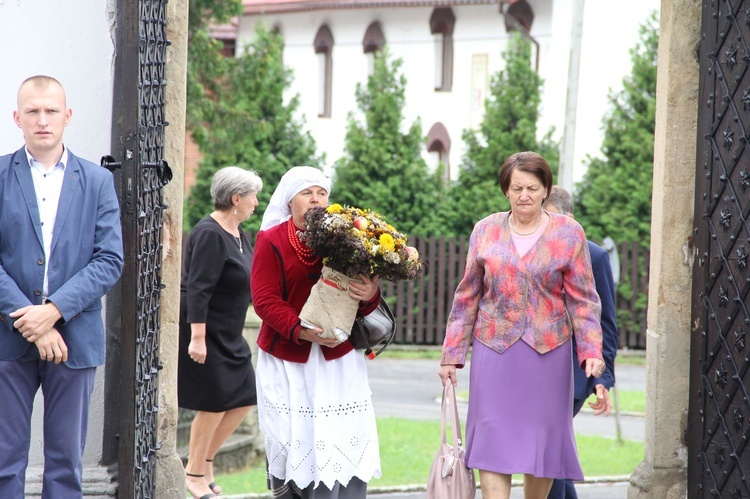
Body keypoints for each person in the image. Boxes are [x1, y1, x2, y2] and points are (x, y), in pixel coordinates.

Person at [438, 151, 605, 499]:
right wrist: (451, 355)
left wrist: (591, 351)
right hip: (494, 351)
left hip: (548, 354)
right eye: (516, 188)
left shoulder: (568, 233)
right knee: (492, 444)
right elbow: (467, 295)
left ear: (546, 189)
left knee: (540, 450)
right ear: (506, 190)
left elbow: (584, 299)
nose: (524, 195)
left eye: (532, 187)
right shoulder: (485, 230)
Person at [0, 75, 124, 498]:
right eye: (32, 111)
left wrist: (52, 312)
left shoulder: (97, 181)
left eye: (51, 110)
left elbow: (110, 260)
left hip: (74, 337)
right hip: (7, 336)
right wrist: (29, 319)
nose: (43, 120)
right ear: (17, 118)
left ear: (67, 116)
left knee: (66, 463)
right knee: (3, 460)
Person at [251, 166, 382, 498]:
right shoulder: (272, 239)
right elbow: (264, 300)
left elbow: (361, 298)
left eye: (321, 193)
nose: (315, 199)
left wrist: (369, 295)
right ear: (289, 200)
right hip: (290, 360)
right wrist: (302, 331)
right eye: (306, 193)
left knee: (341, 435)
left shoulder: (346, 239)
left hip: (338, 361)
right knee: (297, 437)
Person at [178, 166, 263, 499]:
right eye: (253, 195)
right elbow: (197, 288)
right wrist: (197, 338)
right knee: (213, 403)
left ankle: (205, 462)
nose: (257, 202)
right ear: (236, 198)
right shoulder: (209, 233)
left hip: (230, 331)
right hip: (206, 330)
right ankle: (194, 474)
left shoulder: (238, 233)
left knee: (244, 398)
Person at [544, 186, 618, 499]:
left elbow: (606, 324)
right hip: (541, 370)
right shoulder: (536, 253)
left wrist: (603, 378)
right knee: (552, 451)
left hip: (574, 373)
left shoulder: (596, 257)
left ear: (572, 220)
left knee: (547, 450)